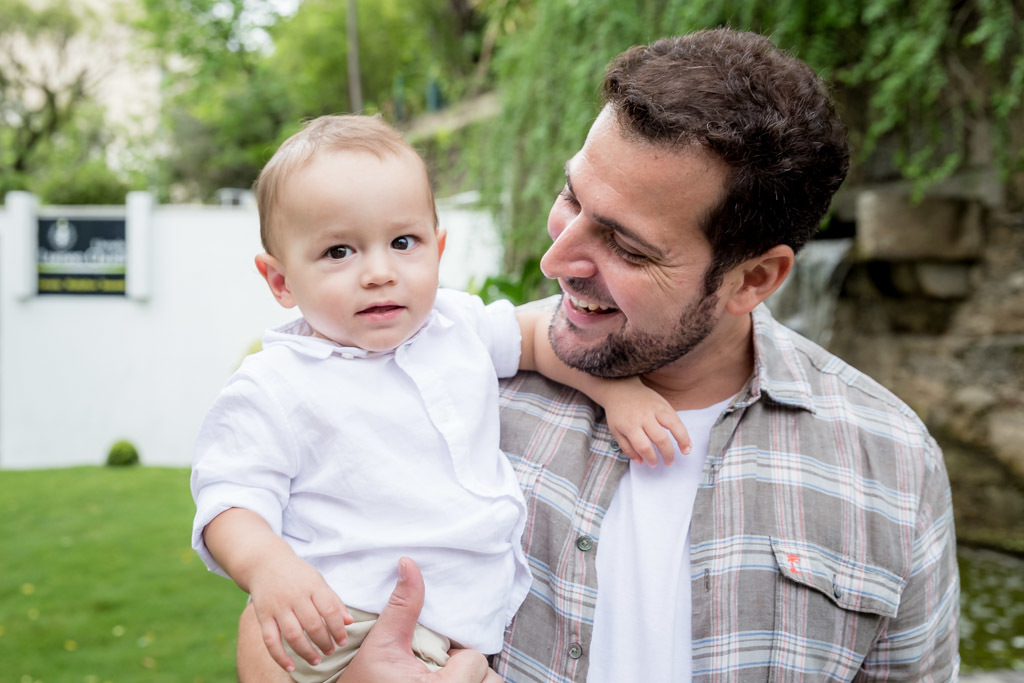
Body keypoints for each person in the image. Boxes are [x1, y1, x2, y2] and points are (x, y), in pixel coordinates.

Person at [237, 28, 960, 682]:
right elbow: (278, 619)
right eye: (570, 195)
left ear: (754, 279)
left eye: (625, 245)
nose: (557, 258)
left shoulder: (890, 462)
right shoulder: (458, 385)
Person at [192, 114, 691, 682]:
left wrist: (616, 390)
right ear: (280, 281)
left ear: (438, 248)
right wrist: (269, 569)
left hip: (462, 640)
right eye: (338, 252)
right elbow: (229, 500)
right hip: (345, 628)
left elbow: (535, 338)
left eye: (403, 242)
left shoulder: (455, 325)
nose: (379, 272)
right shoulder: (275, 384)